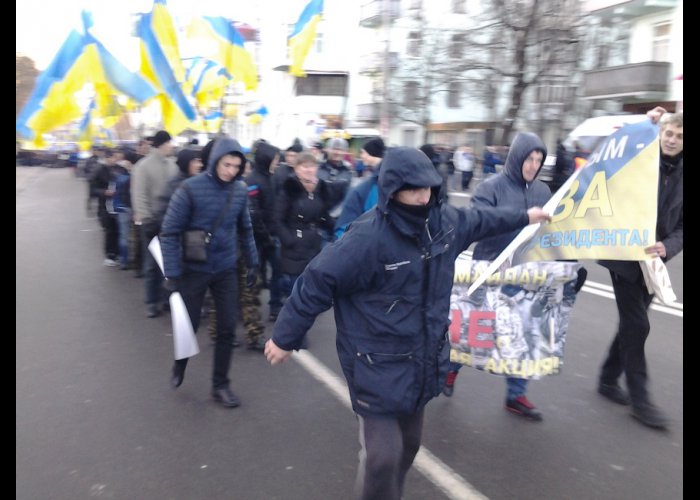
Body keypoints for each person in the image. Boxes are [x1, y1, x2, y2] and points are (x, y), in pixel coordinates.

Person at [264, 146, 551, 499]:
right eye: (413, 188)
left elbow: (482, 220)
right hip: (374, 361)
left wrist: (526, 215)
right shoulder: (368, 237)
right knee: (383, 456)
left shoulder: (445, 222)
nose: (423, 196)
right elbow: (317, 281)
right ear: (392, 190)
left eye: (428, 187)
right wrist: (284, 337)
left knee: (410, 447)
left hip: (421, 359)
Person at [442, 132, 552, 422]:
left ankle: (516, 395)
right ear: (517, 158)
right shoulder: (490, 187)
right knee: (475, 332)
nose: (533, 165)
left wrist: (565, 270)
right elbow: (478, 224)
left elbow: (552, 234)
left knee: (524, 334)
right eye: (529, 158)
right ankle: (450, 369)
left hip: (527, 274)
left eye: (539, 160)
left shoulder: (543, 191)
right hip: (489, 270)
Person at [597, 109, 683, 430]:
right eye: (669, 134)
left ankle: (607, 379)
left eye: (679, 136)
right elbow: (613, 152)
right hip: (623, 255)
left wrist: (668, 246)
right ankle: (640, 400)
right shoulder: (641, 156)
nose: (673, 140)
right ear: (661, 134)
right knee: (637, 326)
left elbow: (683, 227)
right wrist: (643, 125)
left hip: (653, 260)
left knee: (632, 323)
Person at [159, 136, 259, 408]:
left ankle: (220, 385)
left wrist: (253, 262)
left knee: (227, 328)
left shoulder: (239, 190)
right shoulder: (189, 189)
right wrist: (172, 273)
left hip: (225, 267)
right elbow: (169, 232)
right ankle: (180, 364)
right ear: (215, 161)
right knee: (187, 327)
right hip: (193, 269)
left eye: (236, 166)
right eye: (227, 164)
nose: (231, 171)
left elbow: (245, 229)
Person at [131, 130, 178, 318]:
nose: (172, 146)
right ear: (162, 144)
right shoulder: (143, 166)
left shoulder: (172, 165)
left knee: (168, 263)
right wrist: (145, 218)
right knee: (152, 264)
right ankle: (152, 301)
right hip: (152, 222)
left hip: (171, 222)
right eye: (169, 143)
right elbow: (139, 194)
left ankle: (166, 299)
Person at [333, 137, 385, 240]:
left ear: (371, 153)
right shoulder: (371, 179)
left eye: (363, 152)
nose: (361, 156)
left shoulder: (369, 185)